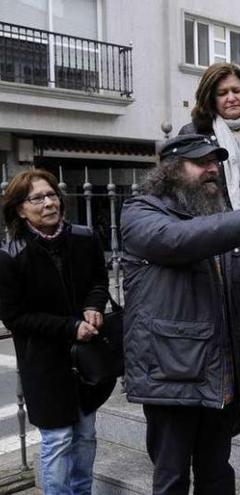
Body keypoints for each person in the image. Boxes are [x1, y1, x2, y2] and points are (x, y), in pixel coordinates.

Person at [120, 134, 240, 495]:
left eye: (215, 162)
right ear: (171, 170)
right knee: (171, 478)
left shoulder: (217, 218)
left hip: (220, 369)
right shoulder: (140, 213)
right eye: (201, 162)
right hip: (172, 373)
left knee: (217, 474)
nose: (212, 169)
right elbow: (178, 240)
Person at [179, 62, 240, 439]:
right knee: (228, 331)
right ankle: (234, 407)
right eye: (222, 93)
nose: (231, 98)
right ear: (211, 99)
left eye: (236, 90)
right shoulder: (196, 135)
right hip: (221, 243)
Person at [0, 169, 115, 495]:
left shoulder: (83, 237)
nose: (49, 203)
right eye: (37, 198)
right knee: (58, 439)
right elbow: (15, 316)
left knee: (86, 434)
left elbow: (98, 280)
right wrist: (69, 327)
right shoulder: (10, 256)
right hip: (44, 363)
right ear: (20, 209)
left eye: (52, 195)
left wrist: (94, 304)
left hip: (87, 357)